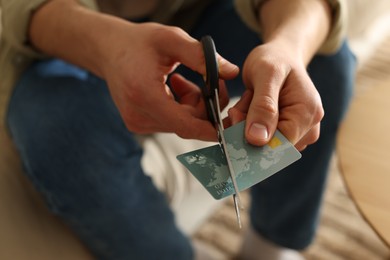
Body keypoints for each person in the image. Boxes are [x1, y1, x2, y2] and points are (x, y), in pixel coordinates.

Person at [0, 0, 356, 259]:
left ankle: (269, 247)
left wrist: (288, 49)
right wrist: (111, 47)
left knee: (323, 63)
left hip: (197, 12)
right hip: (57, 37)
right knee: (56, 127)